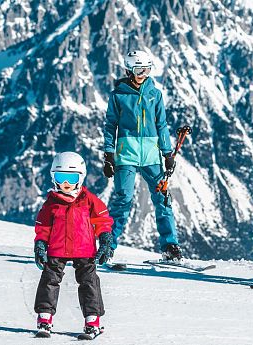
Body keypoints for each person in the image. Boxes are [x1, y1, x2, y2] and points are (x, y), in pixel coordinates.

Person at [102, 50, 182, 261]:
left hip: (151, 156)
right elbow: (110, 125)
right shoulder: (118, 95)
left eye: (147, 70)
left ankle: (170, 245)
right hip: (125, 155)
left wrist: (167, 153)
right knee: (123, 200)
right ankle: (108, 245)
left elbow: (161, 125)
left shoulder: (154, 94)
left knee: (162, 198)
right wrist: (108, 154)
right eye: (139, 70)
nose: (143, 74)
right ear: (129, 70)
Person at [32, 152, 114, 339]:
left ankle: (92, 321)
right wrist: (40, 245)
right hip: (57, 249)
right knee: (49, 280)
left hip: (84, 250)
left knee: (89, 283)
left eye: (71, 178)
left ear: (81, 177)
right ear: (54, 177)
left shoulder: (88, 199)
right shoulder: (51, 203)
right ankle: (45, 317)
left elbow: (102, 220)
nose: (66, 184)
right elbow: (43, 227)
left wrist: (105, 239)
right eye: (61, 178)